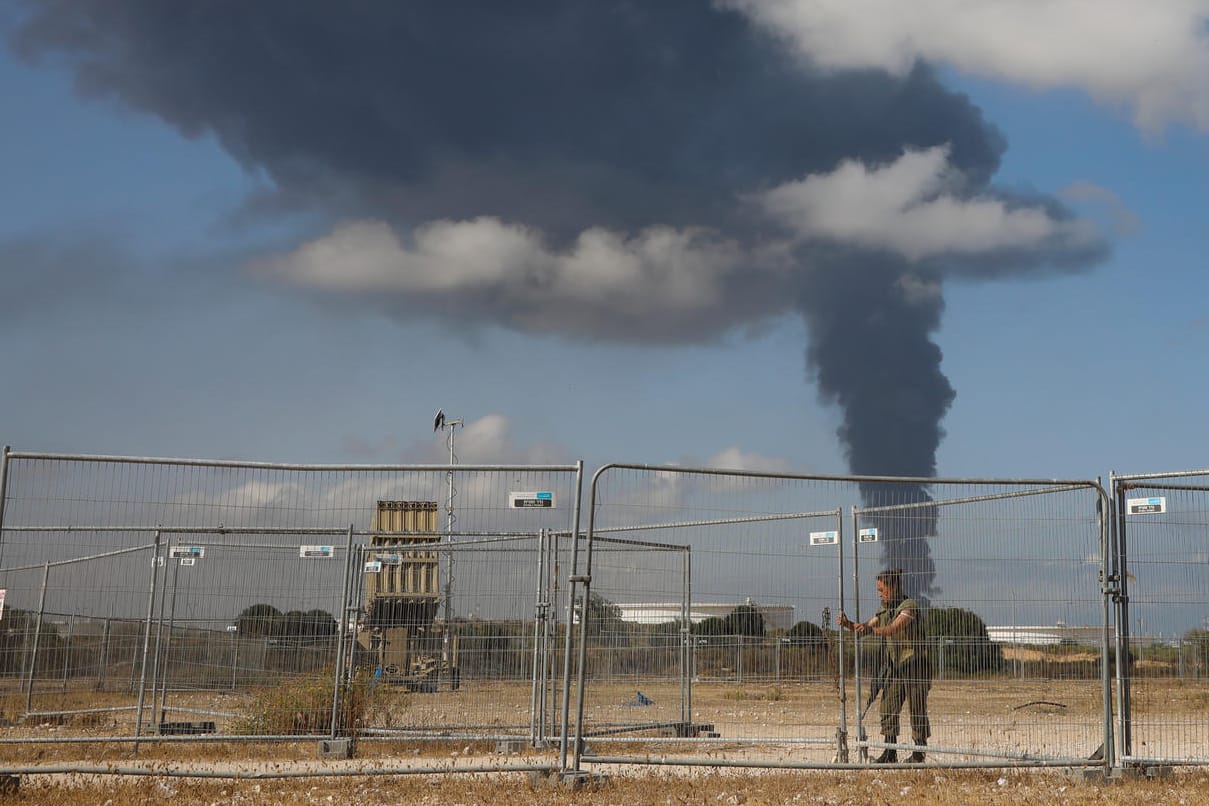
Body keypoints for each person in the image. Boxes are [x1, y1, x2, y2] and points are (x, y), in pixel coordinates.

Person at [839, 568, 930, 764]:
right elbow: (866, 627)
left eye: (883, 590)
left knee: (917, 708)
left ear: (894, 587)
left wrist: (872, 629)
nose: (880, 594)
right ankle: (890, 751)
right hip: (895, 666)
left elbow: (892, 628)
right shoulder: (884, 609)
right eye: (879, 590)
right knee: (888, 705)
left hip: (915, 665)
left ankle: (919, 752)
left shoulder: (908, 607)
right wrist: (848, 625)